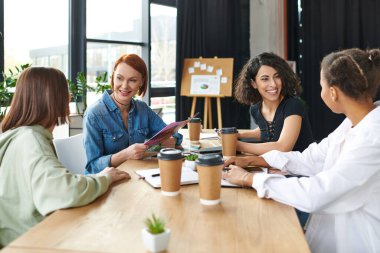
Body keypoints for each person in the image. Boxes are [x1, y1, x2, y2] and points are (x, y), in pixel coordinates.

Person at [223, 48, 380, 253]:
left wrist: (250, 179)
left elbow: (316, 193)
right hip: (331, 234)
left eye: (321, 85)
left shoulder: (372, 138)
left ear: (332, 92)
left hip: (360, 240)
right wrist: (255, 161)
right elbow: (311, 158)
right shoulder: (353, 123)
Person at [0, 67, 130, 248]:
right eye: (64, 91)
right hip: (31, 242)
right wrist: (104, 178)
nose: (69, 96)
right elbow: (64, 190)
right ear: (52, 98)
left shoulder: (19, 135)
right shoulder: (33, 141)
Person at [83, 54, 183, 174]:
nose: (124, 86)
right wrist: (125, 154)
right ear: (113, 77)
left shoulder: (142, 109)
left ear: (141, 82)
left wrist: (170, 140)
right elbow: (92, 167)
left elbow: (172, 134)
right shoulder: (94, 114)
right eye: (120, 78)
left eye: (133, 80)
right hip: (105, 183)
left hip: (135, 175)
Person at [233, 52, 314, 155]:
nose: (273, 84)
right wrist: (238, 135)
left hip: (301, 169)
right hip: (275, 167)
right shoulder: (255, 109)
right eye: (265, 79)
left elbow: (283, 147)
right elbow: (267, 130)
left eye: (277, 76)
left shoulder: (293, 105)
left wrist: (237, 145)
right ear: (254, 83)